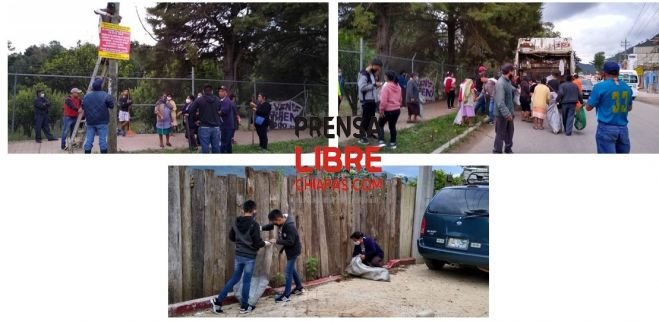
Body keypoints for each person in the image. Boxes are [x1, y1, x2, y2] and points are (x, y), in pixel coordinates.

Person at [210, 200, 272, 315]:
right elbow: (257, 243)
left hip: (239, 256)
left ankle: (218, 302)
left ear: (243, 210)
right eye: (255, 210)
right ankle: (244, 306)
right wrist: (266, 243)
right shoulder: (254, 225)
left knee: (234, 279)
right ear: (254, 210)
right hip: (249, 257)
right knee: (247, 281)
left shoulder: (236, 222)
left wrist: (241, 242)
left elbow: (231, 237)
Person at [585, 61, 633, 153]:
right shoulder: (627, 87)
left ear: (604, 73)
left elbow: (588, 107)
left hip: (606, 128)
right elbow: (629, 108)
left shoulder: (599, 87)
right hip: (623, 129)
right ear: (618, 73)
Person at [261, 210, 304, 302]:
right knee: (292, 270)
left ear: (279, 219)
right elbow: (272, 225)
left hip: (293, 251)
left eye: (275, 222)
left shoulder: (290, 226)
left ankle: (286, 296)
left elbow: (290, 241)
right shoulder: (282, 220)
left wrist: (277, 241)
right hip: (290, 251)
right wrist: (260, 228)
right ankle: (299, 288)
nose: (274, 224)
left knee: (288, 273)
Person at [82, 78, 114, 154]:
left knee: (89, 140)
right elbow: (111, 105)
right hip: (102, 121)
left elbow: (83, 106)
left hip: (90, 121)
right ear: (100, 86)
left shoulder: (86, 96)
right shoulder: (105, 95)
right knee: (102, 141)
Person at [189, 85, 222, 153]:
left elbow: (191, 110)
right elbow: (220, 110)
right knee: (216, 148)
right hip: (216, 127)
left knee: (205, 148)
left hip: (204, 127)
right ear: (212, 91)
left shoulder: (199, 100)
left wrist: (195, 120)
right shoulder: (217, 99)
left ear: (203, 91)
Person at [357, 58, 383, 145]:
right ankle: (361, 136)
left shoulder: (371, 74)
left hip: (372, 100)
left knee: (371, 118)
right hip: (366, 101)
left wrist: (376, 86)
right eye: (378, 67)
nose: (378, 70)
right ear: (372, 65)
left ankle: (369, 133)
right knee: (366, 119)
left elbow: (371, 87)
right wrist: (374, 85)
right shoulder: (364, 74)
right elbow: (362, 88)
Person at [493, 63, 515, 154]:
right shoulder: (500, 83)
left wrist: (516, 90)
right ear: (509, 71)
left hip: (509, 112)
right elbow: (500, 102)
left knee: (510, 132)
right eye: (513, 71)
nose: (513, 72)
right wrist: (507, 114)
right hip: (502, 114)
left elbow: (509, 88)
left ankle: (508, 148)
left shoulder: (507, 81)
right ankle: (497, 151)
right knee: (500, 134)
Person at [377, 70, 402, 149]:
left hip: (388, 110)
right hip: (397, 110)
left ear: (387, 77)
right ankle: (393, 143)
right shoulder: (398, 86)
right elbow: (400, 99)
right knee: (392, 126)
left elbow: (383, 100)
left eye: (385, 76)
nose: (384, 77)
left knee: (380, 124)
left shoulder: (386, 86)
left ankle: (381, 141)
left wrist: (381, 110)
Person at [218, 86, 235, 154]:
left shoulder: (227, 101)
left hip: (227, 125)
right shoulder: (221, 101)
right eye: (219, 91)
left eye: (222, 91)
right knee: (226, 142)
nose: (220, 92)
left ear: (225, 93)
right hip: (224, 124)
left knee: (225, 142)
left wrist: (216, 112)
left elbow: (224, 111)